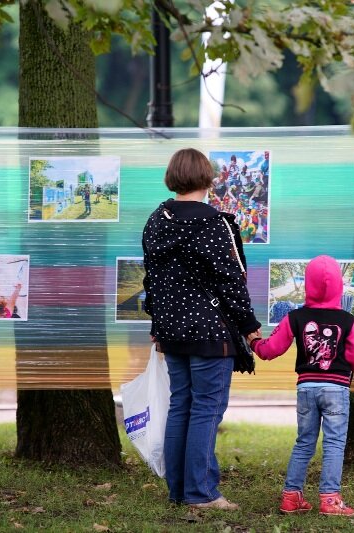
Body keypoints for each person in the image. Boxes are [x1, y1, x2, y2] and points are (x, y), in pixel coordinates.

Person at [141, 148, 261, 511]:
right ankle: (202, 494)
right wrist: (250, 329)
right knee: (206, 408)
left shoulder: (155, 221)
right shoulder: (216, 224)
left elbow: (154, 281)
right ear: (208, 179)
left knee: (182, 406)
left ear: (172, 177)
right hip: (211, 332)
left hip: (171, 331)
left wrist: (156, 322)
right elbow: (231, 283)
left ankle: (179, 491)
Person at [249, 255, 354, 516]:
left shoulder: (296, 317)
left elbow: (270, 350)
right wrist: (345, 357)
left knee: (304, 442)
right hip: (336, 388)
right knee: (334, 444)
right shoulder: (349, 321)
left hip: (306, 388)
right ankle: (330, 500)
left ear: (308, 286)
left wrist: (254, 342)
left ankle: (291, 498)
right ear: (339, 286)